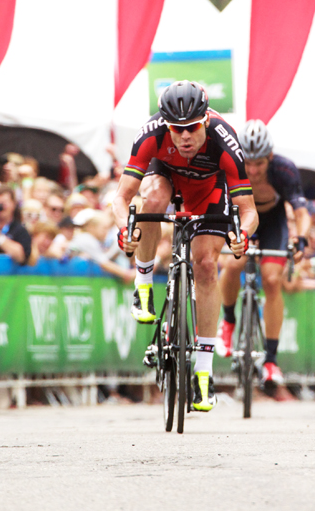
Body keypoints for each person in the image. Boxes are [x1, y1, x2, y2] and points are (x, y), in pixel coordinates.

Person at [112, 80, 258, 412]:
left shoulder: (225, 140)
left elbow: (249, 210)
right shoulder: (151, 134)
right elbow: (121, 198)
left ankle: (203, 373)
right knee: (152, 199)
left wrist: (243, 234)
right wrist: (124, 229)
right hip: (165, 176)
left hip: (208, 190)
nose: (185, 136)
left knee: (205, 264)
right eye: (177, 130)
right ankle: (143, 284)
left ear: (205, 120)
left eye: (192, 127)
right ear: (166, 125)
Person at [216, 120, 310, 386]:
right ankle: (228, 321)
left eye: (259, 163)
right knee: (233, 265)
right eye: (248, 163)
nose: (253, 170)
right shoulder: (229, 165)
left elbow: (301, 212)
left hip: (271, 222)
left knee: (271, 279)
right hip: (239, 218)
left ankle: (270, 359)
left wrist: (301, 238)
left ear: (270, 156)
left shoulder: (284, 170)